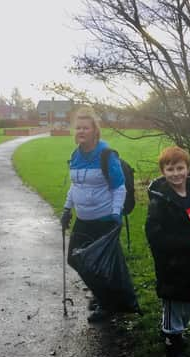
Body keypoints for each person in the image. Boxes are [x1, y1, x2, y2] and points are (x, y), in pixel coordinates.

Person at [145, 146, 190, 357]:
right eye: (170, 169)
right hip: (171, 264)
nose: (176, 173)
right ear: (163, 172)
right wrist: (186, 243)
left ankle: (175, 331)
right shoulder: (160, 200)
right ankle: (172, 345)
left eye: (180, 168)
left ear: (188, 168)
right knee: (174, 304)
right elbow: (155, 236)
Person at [60, 107, 127, 322]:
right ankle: (101, 296)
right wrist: (66, 209)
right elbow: (75, 185)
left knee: (101, 265)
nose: (81, 131)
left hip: (104, 219)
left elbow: (119, 187)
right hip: (83, 219)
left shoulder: (106, 155)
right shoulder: (75, 155)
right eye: (78, 127)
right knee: (75, 259)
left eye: (85, 128)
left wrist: (116, 214)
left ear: (94, 131)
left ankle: (106, 304)